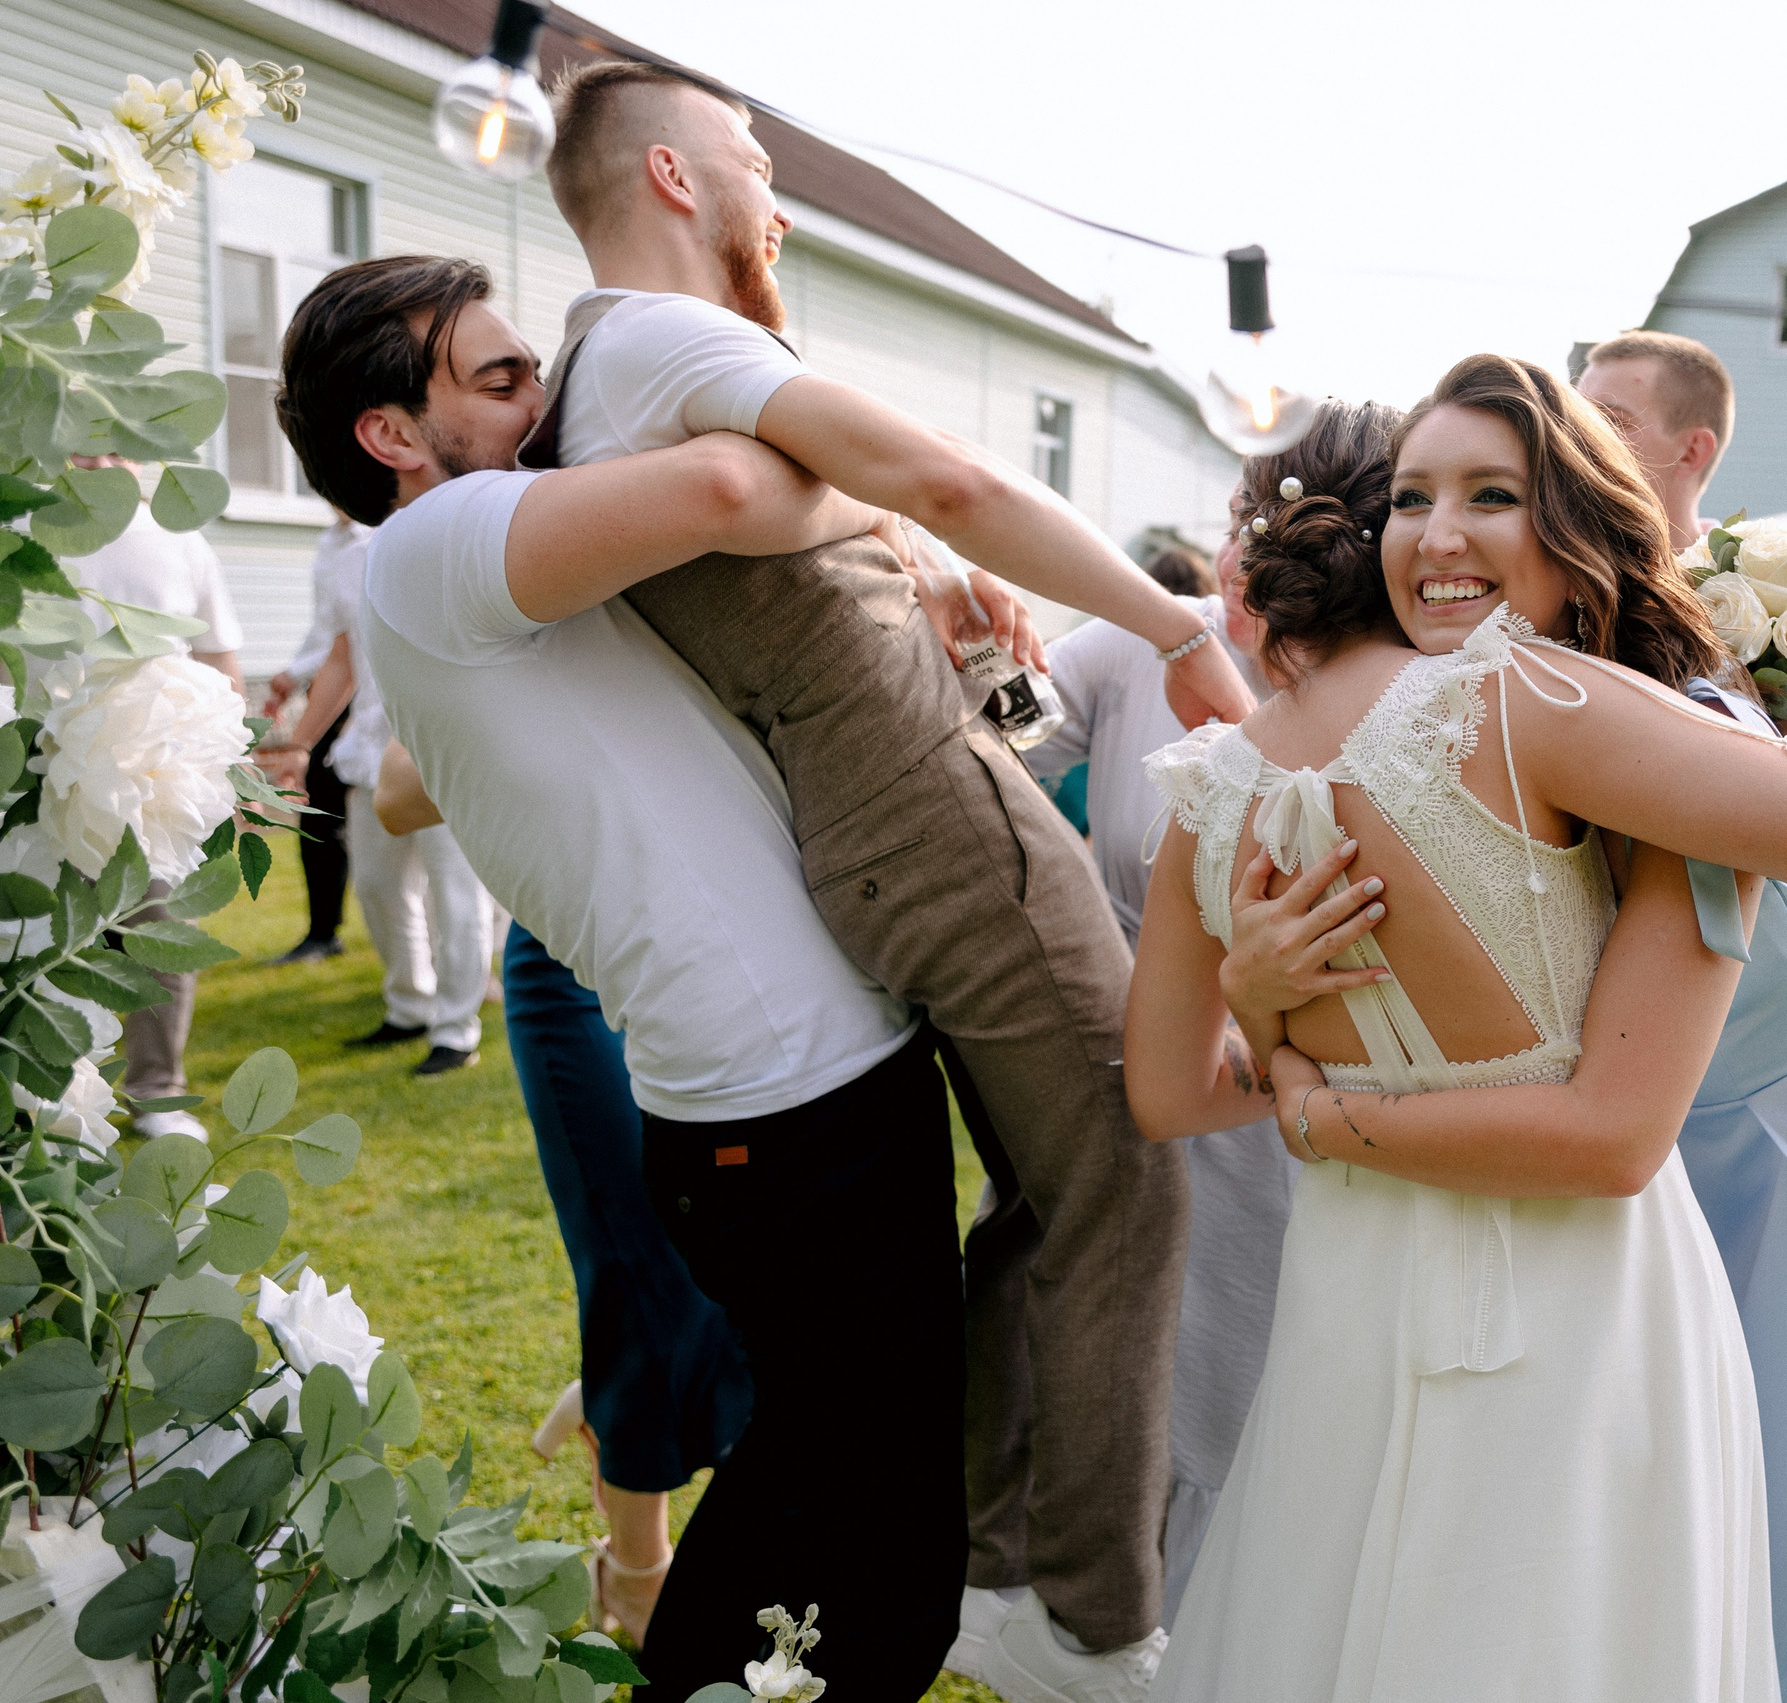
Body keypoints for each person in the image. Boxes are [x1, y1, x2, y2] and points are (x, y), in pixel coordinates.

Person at [522, 61, 1258, 1698]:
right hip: (945, 833)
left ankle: (996, 1548)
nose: (773, 186)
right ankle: (1084, 1610)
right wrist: (1180, 627)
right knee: (1131, 1169)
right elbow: (957, 481)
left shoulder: (597, 378)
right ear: (667, 175)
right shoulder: (670, 345)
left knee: (1052, 1188)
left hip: (878, 841)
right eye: (751, 153)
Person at [1128, 359, 1787, 1701]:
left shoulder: (1218, 781)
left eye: (1489, 495)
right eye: (1415, 498)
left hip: (1352, 1277)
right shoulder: (1530, 705)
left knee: (1336, 1623)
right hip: (1570, 1296)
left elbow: (1165, 1089)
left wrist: (1280, 1033)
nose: (1439, 534)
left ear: (1578, 525)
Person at [275, 253, 975, 1699]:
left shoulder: (471, 563)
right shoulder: (444, 536)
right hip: (786, 1098)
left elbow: (411, 781)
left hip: (783, 1085)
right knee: (882, 1548)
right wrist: (889, 497)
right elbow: (728, 485)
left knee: (831, 1493)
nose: (544, 394)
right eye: (496, 375)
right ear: (392, 436)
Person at [370, 739, 753, 1646]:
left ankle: (613, 1399)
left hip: (728, 953)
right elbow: (394, 791)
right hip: (576, 959)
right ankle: (637, 1573)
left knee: (743, 1258)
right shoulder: (526, 608)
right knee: (638, 1259)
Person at [1011, 487, 1284, 1643]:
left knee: (1237, 1378)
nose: (1242, 558)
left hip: (1269, 1087)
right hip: (1107, 1040)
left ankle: (1226, 1616)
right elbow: (1001, 733)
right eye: (1239, 524)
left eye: (1282, 529)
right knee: (1095, 1349)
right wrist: (988, 638)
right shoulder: (1143, 635)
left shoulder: (1394, 671)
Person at [264, 543, 497, 1077]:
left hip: (441, 743)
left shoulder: (441, 537)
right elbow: (342, 658)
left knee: (456, 893)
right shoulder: (342, 558)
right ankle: (410, 1005)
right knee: (376, 884)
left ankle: (457, 1029)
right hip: (369, 746)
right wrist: (301, 745)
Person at [70, 470, 246, 1141]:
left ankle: (155, 1089)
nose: (98, 462)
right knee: (51, 929)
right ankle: (62, 1084)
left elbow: (218, 658)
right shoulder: (25, 531)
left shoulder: (181, 538)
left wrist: (230, 765)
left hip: (152, 771)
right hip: (44, 762)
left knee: (154, 928)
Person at [261, 510, 371, 966]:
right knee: (319, 812)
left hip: (372, 697)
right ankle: (323, 931)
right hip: (336, 687)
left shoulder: (379, 534)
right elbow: (330, 631)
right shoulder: (333, 541)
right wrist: (295, 672)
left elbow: (350, 643)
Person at [1574, 329, 1732, 550]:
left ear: (1691, 452)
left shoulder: (1761, 581)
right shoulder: (1544, 575)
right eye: (1576, 420)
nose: (1577, 438)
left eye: (1611, 421)